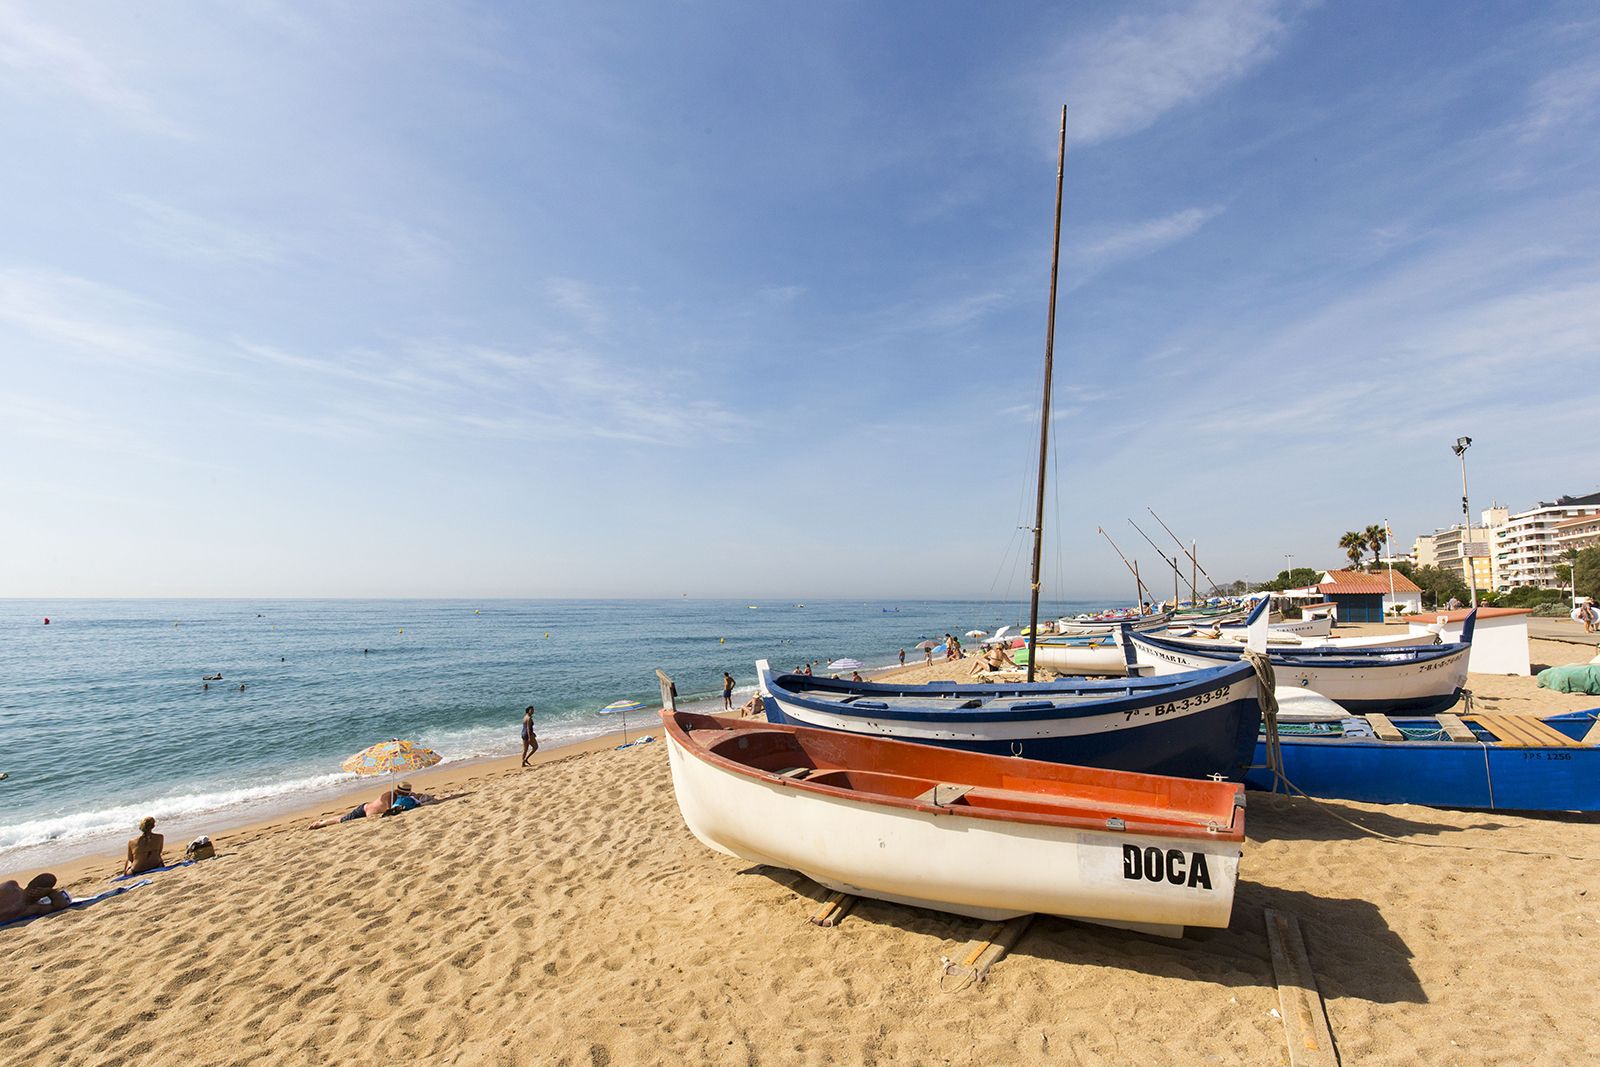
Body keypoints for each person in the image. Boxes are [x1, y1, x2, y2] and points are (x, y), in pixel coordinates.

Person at [309, 783, 436, 829]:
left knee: (343, 818)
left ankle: (324, 821)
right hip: (364, 810)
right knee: (341, 820)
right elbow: (390, 811)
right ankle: (322, 823)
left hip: (369, 811)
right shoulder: (390, 796)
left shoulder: (399, 797)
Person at [0, 874, 71, 923]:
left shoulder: (10, 885)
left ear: (30, 883)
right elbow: (61, 905)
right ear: (42, 895)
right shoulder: (31, 909)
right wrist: (50, 892)